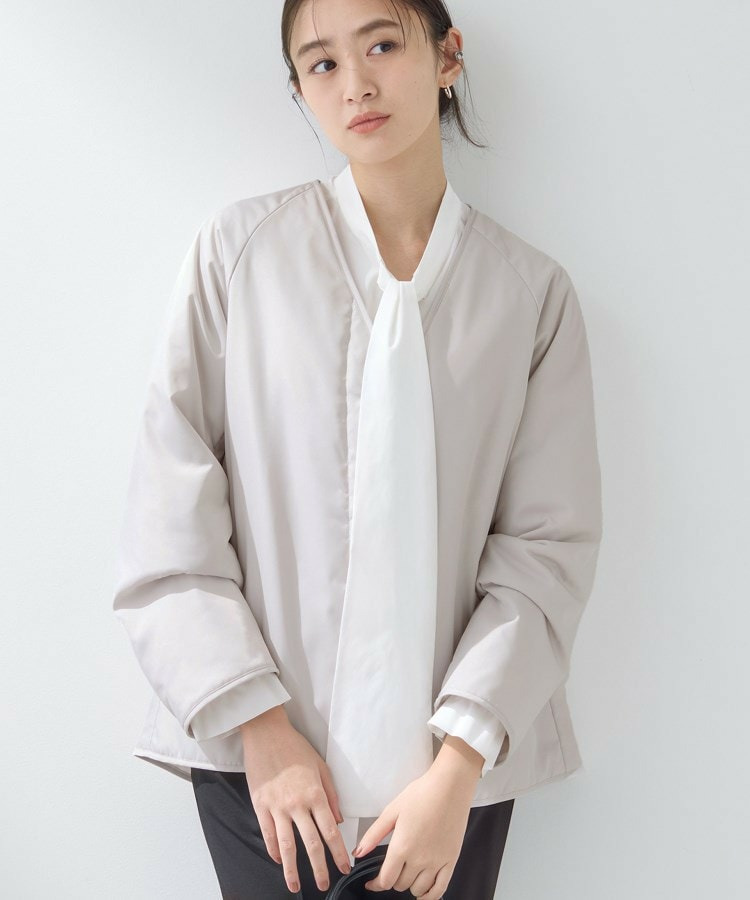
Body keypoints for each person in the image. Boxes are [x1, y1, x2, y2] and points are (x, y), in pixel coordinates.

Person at [112, 0, 603, 897]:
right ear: (300, 89)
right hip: (265, 773)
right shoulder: (240, 256)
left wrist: (457, 768)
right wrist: (261, 729)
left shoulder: (530, 297)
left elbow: (547, 549)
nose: (357, 84)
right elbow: (168, 518)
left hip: (450, 788)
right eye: (322, 63)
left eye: (381, 44)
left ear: (447, 56)